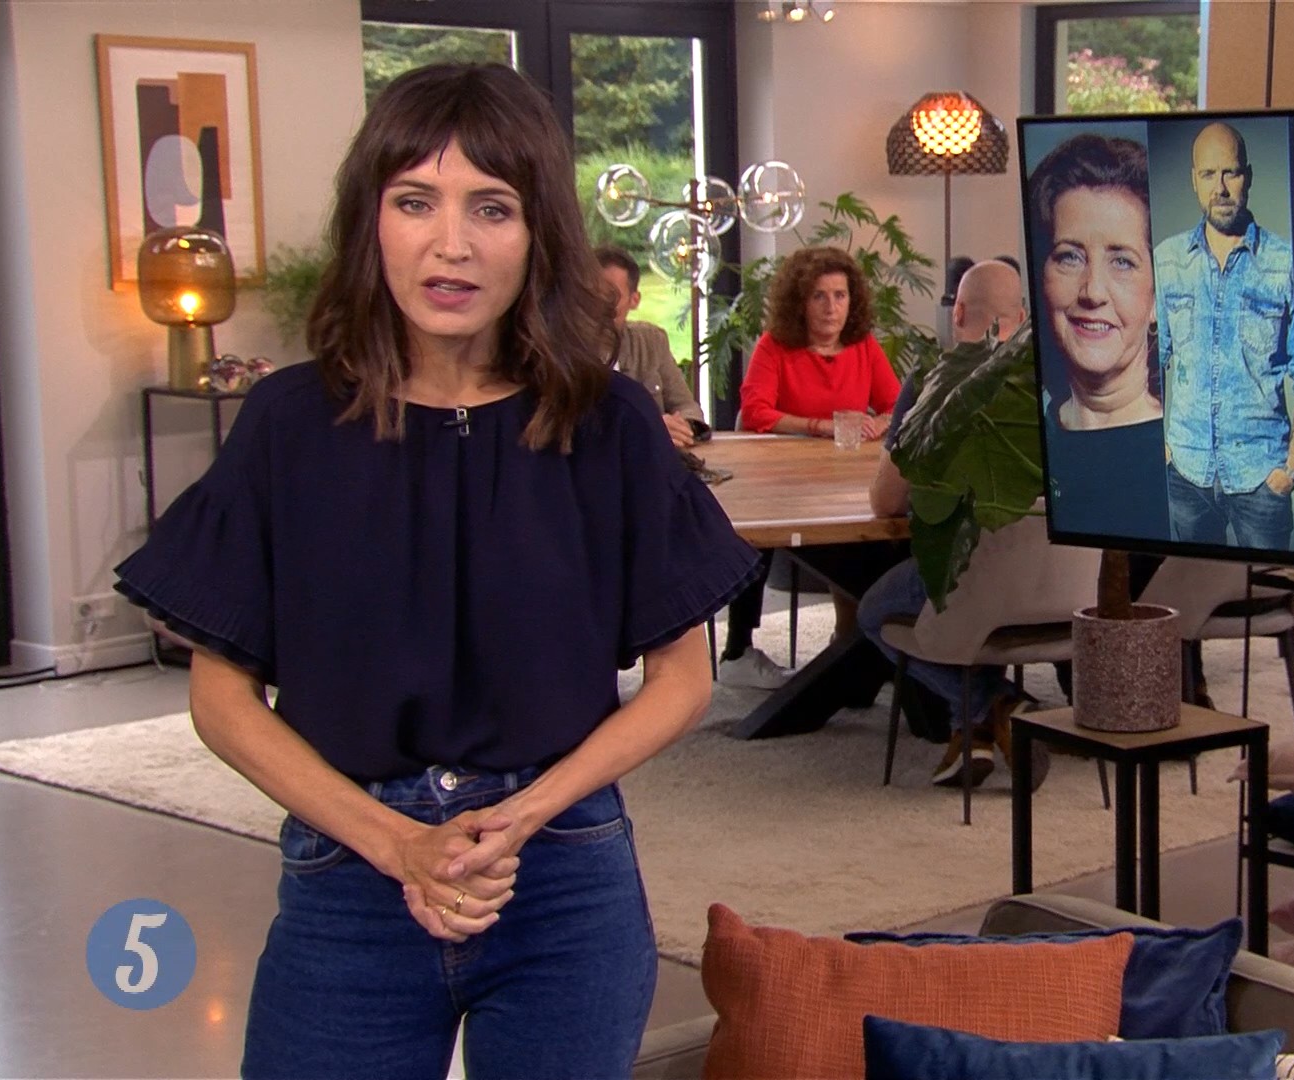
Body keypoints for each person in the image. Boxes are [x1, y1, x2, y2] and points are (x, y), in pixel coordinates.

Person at [111, 63, 759, 1078]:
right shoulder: (288, 424)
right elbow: (222, 701)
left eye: (490, 208)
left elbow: (683, 680)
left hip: (560, 876)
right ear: (371, 220)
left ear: (537, 234)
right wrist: (395, 843)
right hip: (349, 876)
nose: (450, 243)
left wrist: (524, 814)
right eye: (415, 201)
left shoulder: (611, 425)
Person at [858, 260, 1045, 786]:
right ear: (1022, 317)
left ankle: (995, 701)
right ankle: (973, 735)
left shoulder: (934, 383)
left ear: (957, 312)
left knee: (873, 612)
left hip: (966, 580)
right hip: (1055, 586)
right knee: (970, 599)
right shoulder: (1058, 382)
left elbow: (886, 503)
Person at [721, 246, 902, 689]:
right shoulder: (775, 346)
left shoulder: (863, 346)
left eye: (840, 295)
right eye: (819, 296)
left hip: (848, 483)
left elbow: (897, 405)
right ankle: (738, 650)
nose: (831, 307)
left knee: (885, 533)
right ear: (799, 301)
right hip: (784, 483)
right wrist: (819, 426)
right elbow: (756, 412)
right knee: (757, 529)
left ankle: (861, 646)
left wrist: (879, 423)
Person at [1155, 121, 1294, 549]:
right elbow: (1146, 362)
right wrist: (1161, 450)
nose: (1219, 188)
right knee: (1192, 585)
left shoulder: (1284, 263)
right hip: (1185, 473)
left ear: (1247, 177)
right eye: (1208, 174)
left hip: (1262, 477)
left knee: (1266, 585)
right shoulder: (1167, 261)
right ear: (1194, 181)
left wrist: (1291, 468)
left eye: (1230, 173)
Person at [1029, 133, 1169, 540]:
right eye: (1069, 257)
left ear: (1158, 298)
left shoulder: (1191, 461)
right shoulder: (1022, 442)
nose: (1092, 292)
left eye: (1122, 262)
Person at [594, 246, 707, 448]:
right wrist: (648, 429)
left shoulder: (651, 342)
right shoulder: (562, 349)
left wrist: (681, 427)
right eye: (591, 293)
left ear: (634, 300)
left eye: (611, 295)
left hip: (653, 462)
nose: (599, 303)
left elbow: (687, 407)